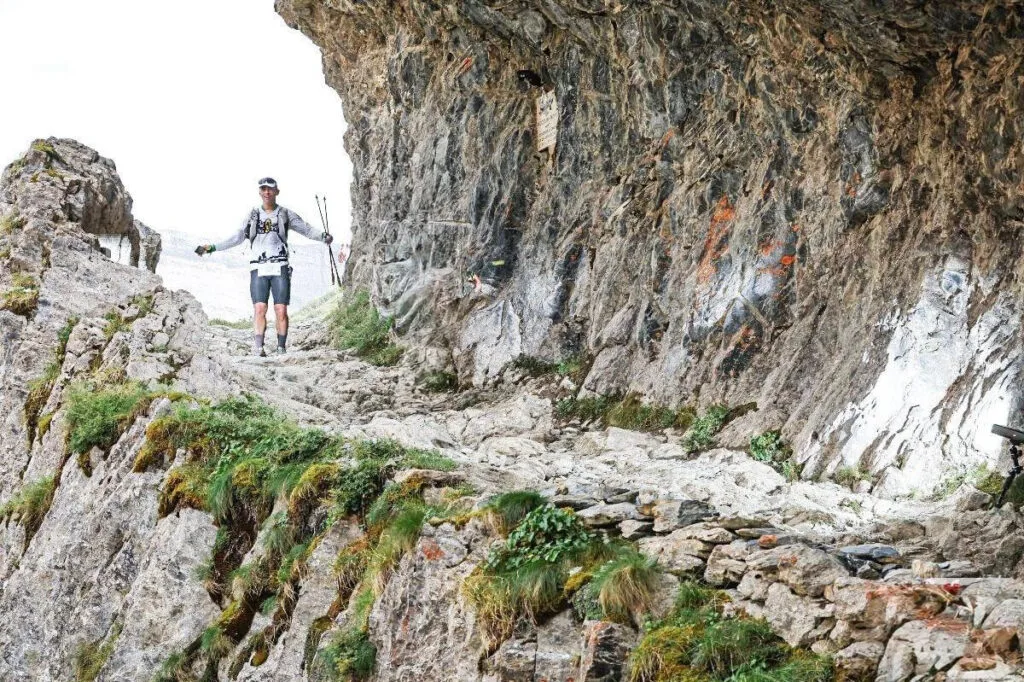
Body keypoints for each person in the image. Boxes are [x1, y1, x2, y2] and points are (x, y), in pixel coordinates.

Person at [195, 177, 333, 356]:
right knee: (260, 308)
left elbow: (306, 229)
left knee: (280, 309)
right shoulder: (253, 215)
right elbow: (237, 237)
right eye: (264, 189)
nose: (267, 192)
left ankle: (281, 348)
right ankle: (258, 347)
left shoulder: (285, 214)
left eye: (270, 189)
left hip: (280, 265)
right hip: (258, 267)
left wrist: (323, 236)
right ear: (260, 192)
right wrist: (212, 247)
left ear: (277, 191)